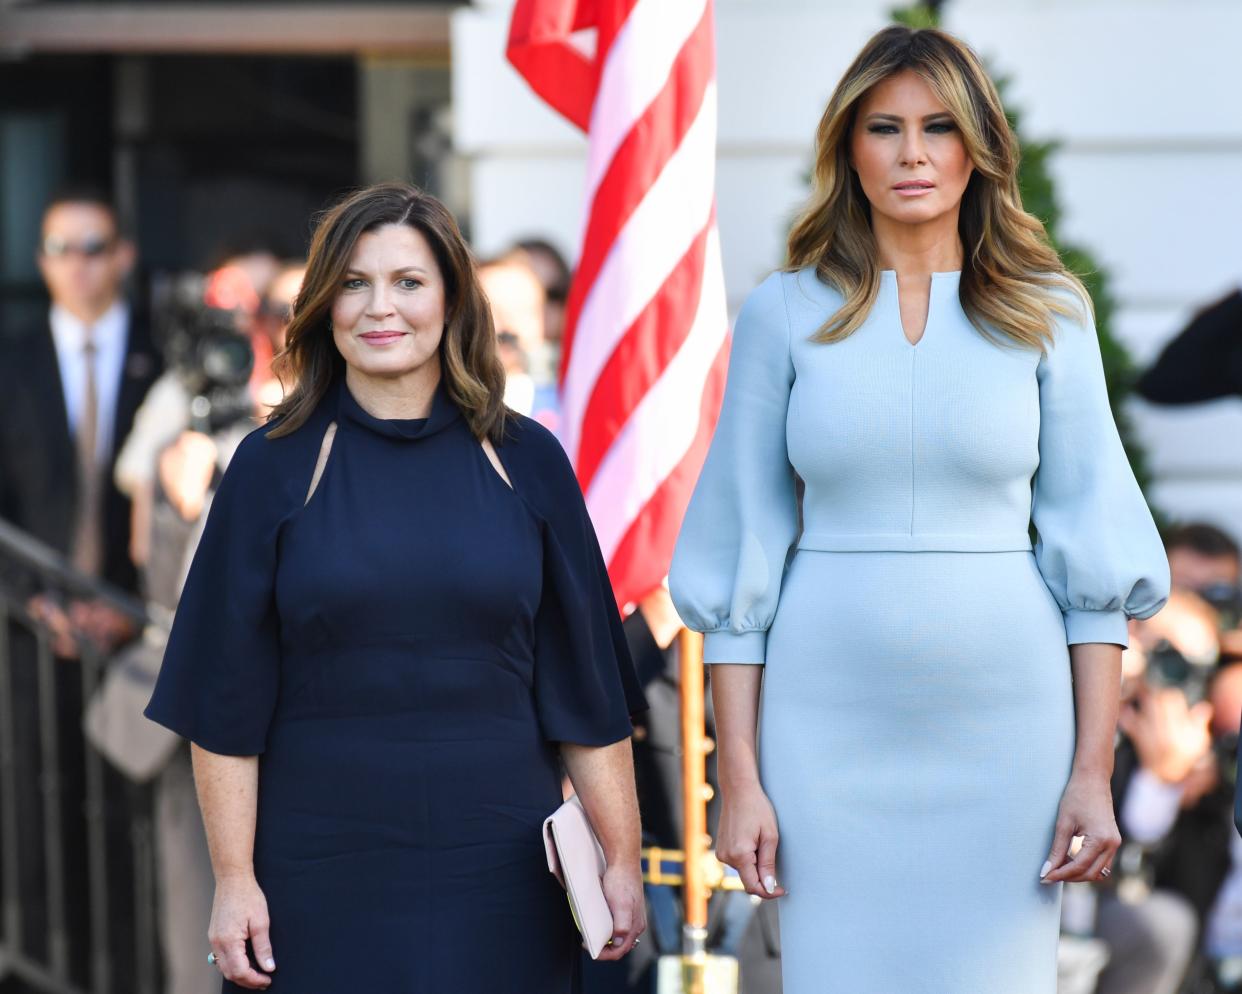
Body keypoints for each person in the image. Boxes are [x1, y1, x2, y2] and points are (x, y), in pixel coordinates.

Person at [667, 26, 1169, 994]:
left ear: (977, 147)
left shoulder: (1049, 312)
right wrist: (739, 779)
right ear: (847, 149)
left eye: (939, 127)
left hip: (1009, 730)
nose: (912, 154)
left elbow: (1093, 566)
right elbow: (740, 564)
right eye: (884, 127)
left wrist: (1092, 770)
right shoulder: (780, 313)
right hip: (822, 725)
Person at [143, 183, 647, 993]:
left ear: (451, 299)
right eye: (354, 282)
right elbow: (223, 704)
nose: (382, 307)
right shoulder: (271, 468)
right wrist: (234, 878)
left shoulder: (528, 462)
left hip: (507, 873)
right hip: (318, 874)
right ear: (323, 304)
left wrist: (622, 857)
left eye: (409, 282)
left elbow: (586, 688)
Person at [0, 186, 161, 991]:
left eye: (94, 247)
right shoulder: (13, 360)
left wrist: (128, 607)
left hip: (138, 637)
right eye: (61, 249)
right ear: (41, 263)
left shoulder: (163, 358)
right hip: (32, 637)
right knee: (37, 811)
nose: (78, 264)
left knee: (130, 820)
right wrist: (36, 601)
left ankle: (131, 973)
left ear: (123, 255)